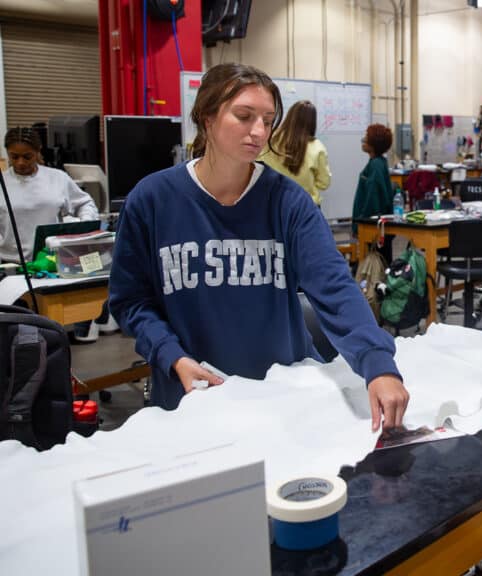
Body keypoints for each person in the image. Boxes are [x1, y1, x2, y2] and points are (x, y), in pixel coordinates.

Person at [108, 63, 408, 430]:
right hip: (194, 399)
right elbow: (131, 301)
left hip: (282, 396)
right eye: (244, 116)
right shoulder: (152, 200)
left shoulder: (288, 202)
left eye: (268, 120)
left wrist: (378, 364)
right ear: (207, 117)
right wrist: (171, 356)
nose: (259, 132)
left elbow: (334, 286)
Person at [0, 127, 99, 263]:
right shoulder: (2, 182)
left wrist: (85, 226)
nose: (20, 162)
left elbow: (85, 203)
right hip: (10, 263)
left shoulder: (57, 178)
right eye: (14, 157)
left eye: (27, 156)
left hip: (52, 260)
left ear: (37, 151)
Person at [259, 100, 332, 206]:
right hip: (305, 206)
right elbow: (323, 183)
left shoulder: (270, 138)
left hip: (272, 204)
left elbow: (257, 163)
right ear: (312, 122)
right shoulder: (317, 147)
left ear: (290, 116)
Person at [352, 123, 396, 230]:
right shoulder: (378, 162)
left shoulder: (376, 165)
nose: (363, 141)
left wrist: (362, 222)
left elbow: (373, 198)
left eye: (366, 138)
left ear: (373, 144)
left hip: (371, 227)